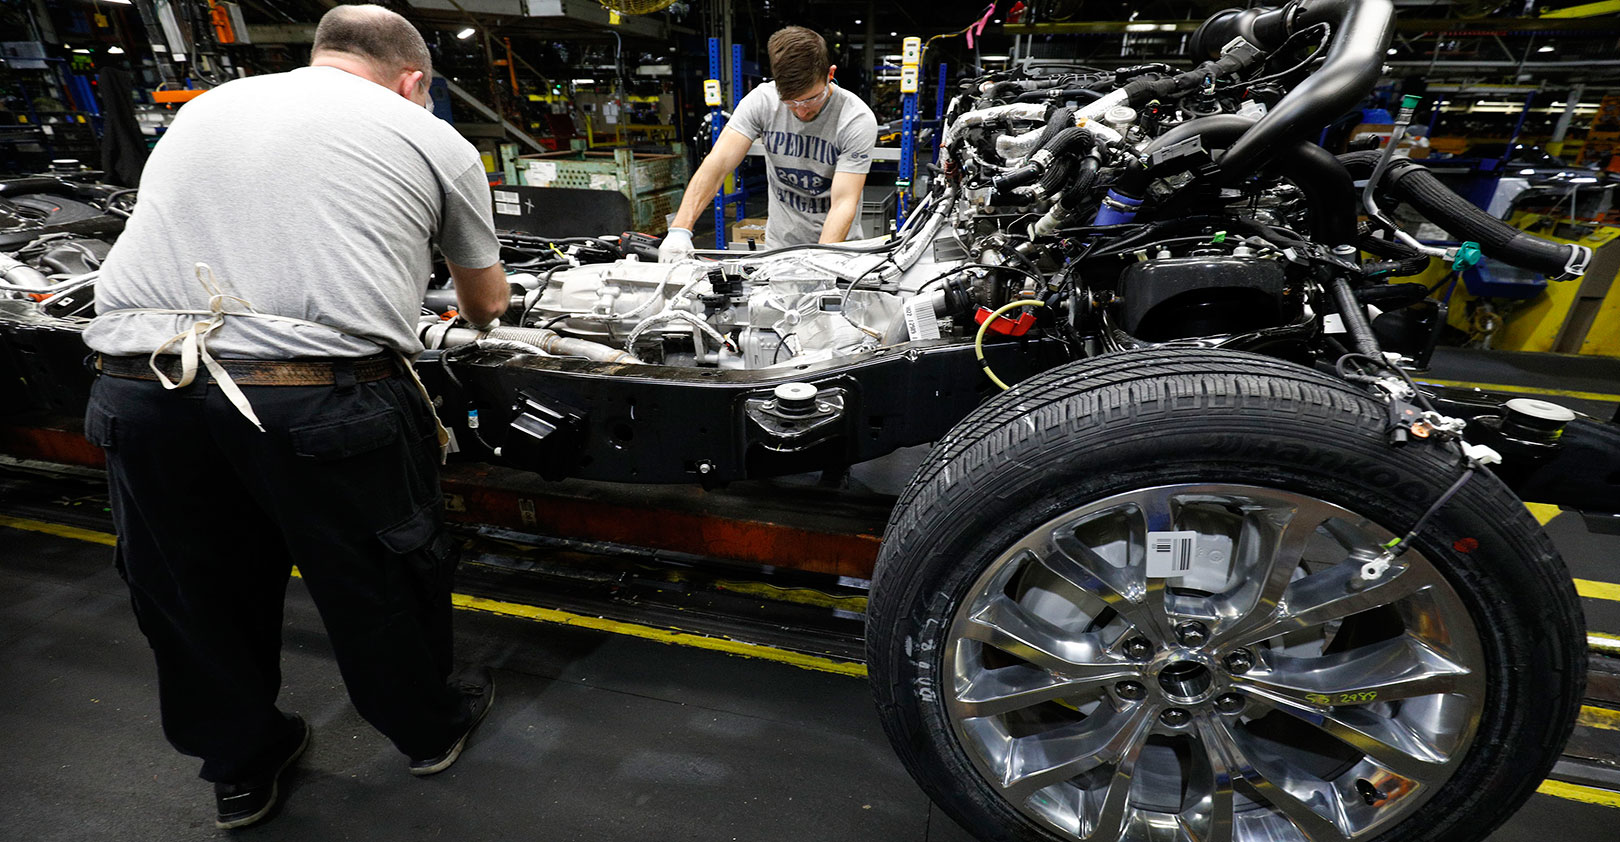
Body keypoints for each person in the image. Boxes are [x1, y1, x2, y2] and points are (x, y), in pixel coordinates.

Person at [81, 5, 508, 830]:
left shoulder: (206, 108)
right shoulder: (431, 136)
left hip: (145, 384)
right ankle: (428, 730)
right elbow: (484, 305)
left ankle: (241, 767)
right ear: (413, 80)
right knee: (377, 574)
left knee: (193, 590)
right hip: (315, 394)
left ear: (321, 55)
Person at [659, 26, 879, 258]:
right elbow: (717, 164)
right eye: (791, 103)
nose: (802, 112)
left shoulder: (856, 119)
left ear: (830, 74)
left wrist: (819, 262)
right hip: (779, 250)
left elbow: (844, 202)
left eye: (811, 99)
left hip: (836, 252)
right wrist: (680, 229)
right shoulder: (762, 101)